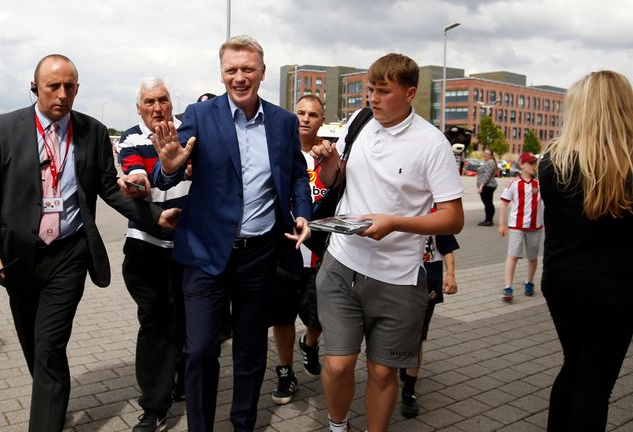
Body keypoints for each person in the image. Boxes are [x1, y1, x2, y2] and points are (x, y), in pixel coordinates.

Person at [0, 54, 177, 432]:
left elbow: (109, 188)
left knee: (49, 346)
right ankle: (52, 396)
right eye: (53, 86)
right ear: (35, 87)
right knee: (35, 346)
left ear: (77, 89)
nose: (62, 94)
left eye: (70, 87)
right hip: (18, 259)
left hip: (70, 254)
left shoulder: (92, 131)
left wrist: (152, 218)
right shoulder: (4, 129)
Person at [150, 35, 311, 432]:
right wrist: (169, 165)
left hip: (259, 255)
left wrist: (302, 212)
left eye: (247, 69)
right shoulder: (199, 116)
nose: (240, 78)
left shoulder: (284, 121)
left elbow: (294, 175)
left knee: (251, 349)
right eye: (231, 70)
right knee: (201, 348)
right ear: (221, 74)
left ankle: (243, 423)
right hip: (206, 253)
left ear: (262, 72)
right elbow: (166, 171)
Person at [310, 53, 464, 432]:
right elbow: (335, 179)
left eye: (383, 92)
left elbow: (453, 218)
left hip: (397, 278)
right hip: (342, 265)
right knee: (337, 363)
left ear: (410, 93)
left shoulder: (432, 143)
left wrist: (395, 223)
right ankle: (337, 426)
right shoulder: (360, 122)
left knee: (382, 373)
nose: (373, 99)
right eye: (369, 90)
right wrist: (327, 161)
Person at [539, 70, 633, 431]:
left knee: (574, 365)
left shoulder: (552, 163)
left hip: (561, 282)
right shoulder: (626, 165)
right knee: (596, 384)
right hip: (616, 288)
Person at [116, 77, 188, 431]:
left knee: (188, 322)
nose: (157, 107)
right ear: (139, 108)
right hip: (147, 247)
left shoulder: (189, 135)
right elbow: (138, 174)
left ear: (172, 103)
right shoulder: (131, 138)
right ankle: (154, 406)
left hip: (188, 248)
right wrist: (138, 185)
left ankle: (182, 380)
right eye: (149, 102)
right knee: (155, 324)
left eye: (162, 99)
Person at [269, 94, 327, 405]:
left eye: (313, 114)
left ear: (321, 121)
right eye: (300, 113)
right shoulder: (279, 152)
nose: (305, 119)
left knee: (320, 317)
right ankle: (285, 370)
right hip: (284, 250)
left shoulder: (327, 156)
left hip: (319, 255)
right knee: (282, 315)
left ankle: (310, 343)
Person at [399, 232, 459, 418]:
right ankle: (400, 361)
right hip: (396, 281)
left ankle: (409, 390)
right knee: (397, 332)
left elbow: (447, 248)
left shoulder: (437, 215)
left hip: (427, 281)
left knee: (417, 337)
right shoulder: (397, 211)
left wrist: (450, 274)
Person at [497, 152, 543, 301]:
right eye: (531, 163)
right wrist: (502, 224)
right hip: (516, 225)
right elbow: (504, 203)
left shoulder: (539, 184)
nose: (533, 167)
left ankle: (529, 282)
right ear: (522, 165)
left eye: (535, 164)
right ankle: (508, 287)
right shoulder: (513, 183)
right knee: (513, 255)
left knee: (532, 257)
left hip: (535, 226)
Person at [476, 149, 497, 226]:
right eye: (484, 153)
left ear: (491, 156)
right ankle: (488, 219)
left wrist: (481, 186)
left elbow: (487, 176)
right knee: (487, 203)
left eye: (487, 153)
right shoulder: (488, 162)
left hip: (488, 186)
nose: (485, 154)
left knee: (488, 203)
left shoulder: (490, 163)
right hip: (486, 186)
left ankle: (489, 221)